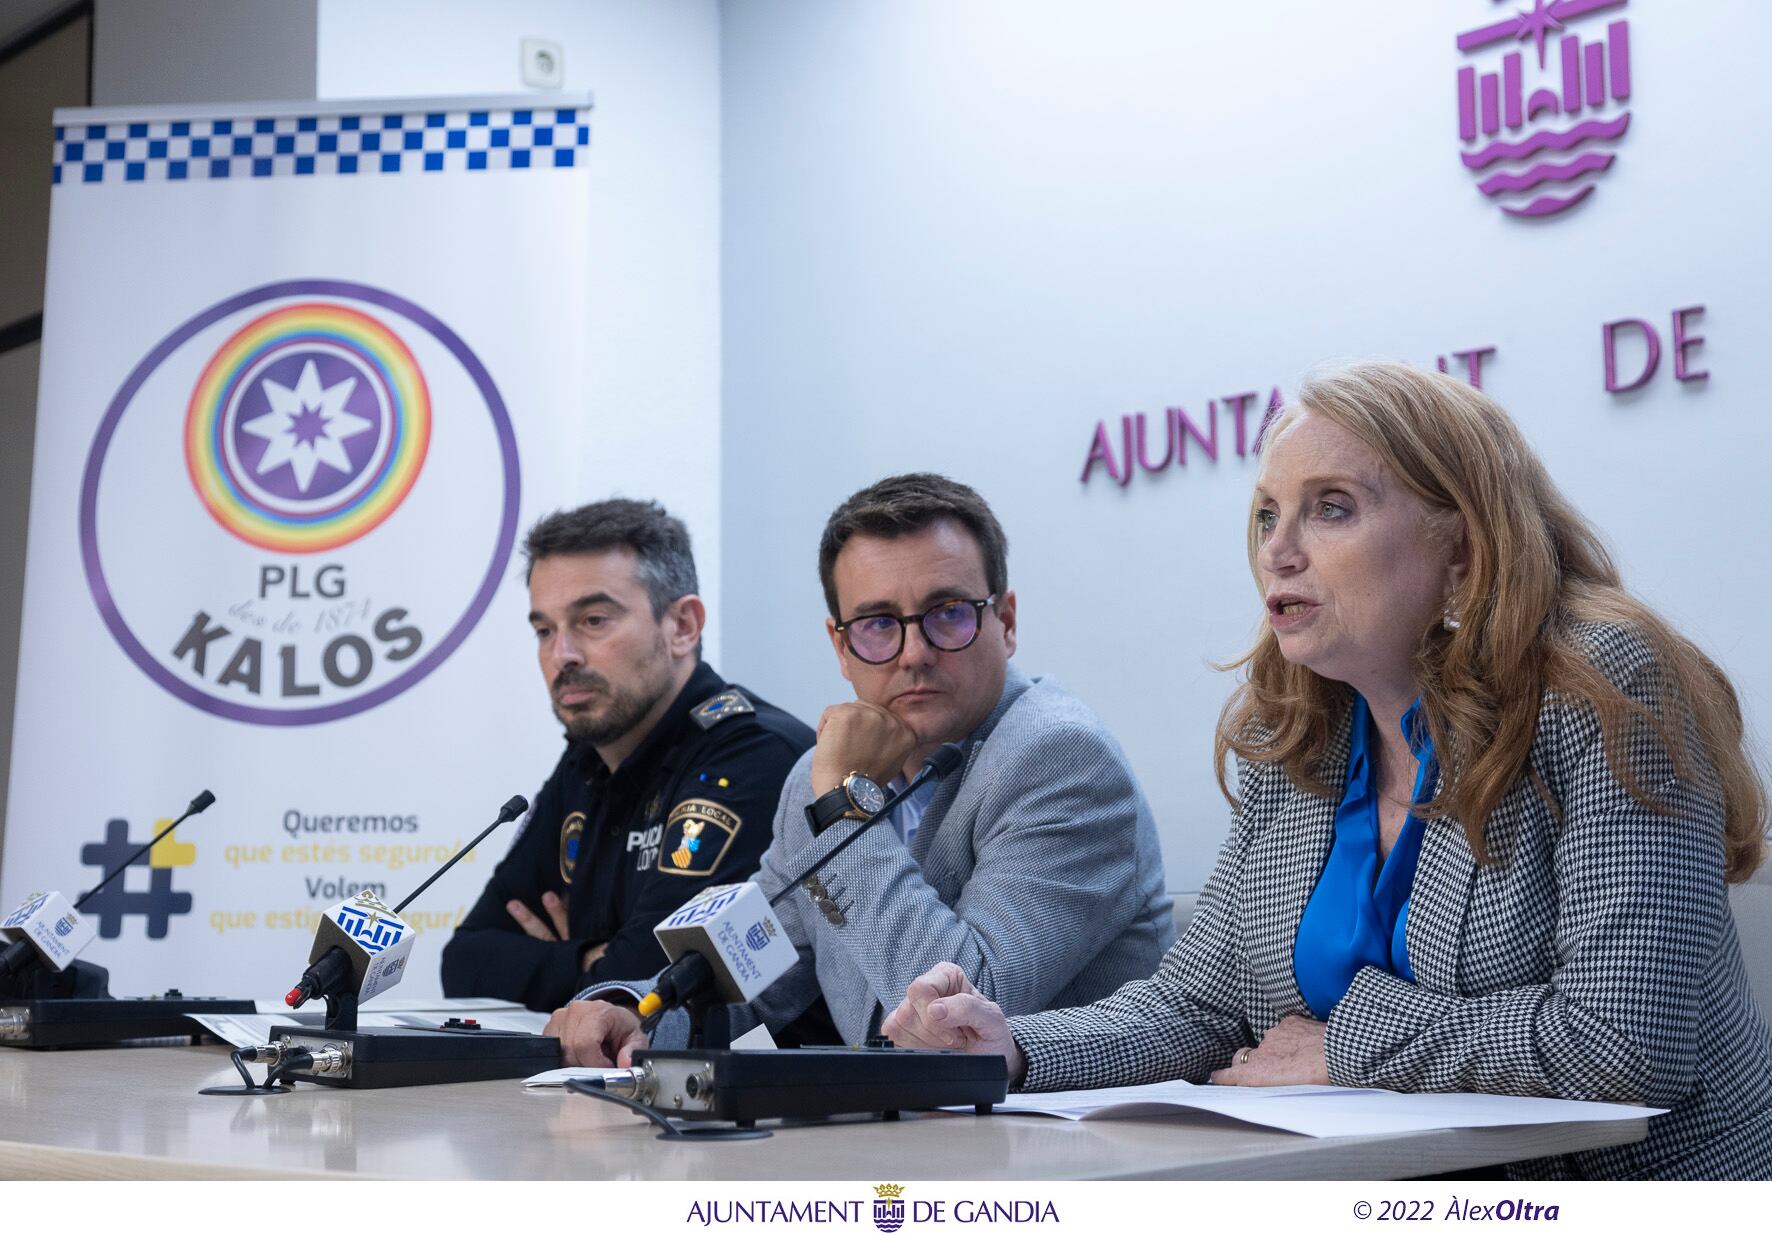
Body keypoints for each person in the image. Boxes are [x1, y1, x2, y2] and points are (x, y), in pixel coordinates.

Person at [884, 363, 1772, 1180]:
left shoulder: (1605, 685)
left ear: (1462, 543)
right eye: (1269, 513)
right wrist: (1007, 1049)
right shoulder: (1298, 734)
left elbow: (1621, 1042)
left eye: (1333, 506)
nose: (1278, 549)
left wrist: (1349, 1043)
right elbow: (1195, 1006)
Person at [546, 473, 1174, 1059]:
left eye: (949, 612)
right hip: (900, 1140)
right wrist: (641, 1013)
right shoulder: (817, 778)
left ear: (1005, 623)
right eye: (878, 625)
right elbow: (753, 958)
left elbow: (961, 1017)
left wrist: (843, 812)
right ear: (841, 647)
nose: (915, 655)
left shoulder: (1060, 758)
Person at [440, 500, 813, 1012]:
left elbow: (644, 986)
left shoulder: (754, 757)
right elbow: (464, 962)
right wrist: (584, 960)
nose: (562, 655)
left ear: (682, 625)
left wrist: (584, 964)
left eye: (593, 620)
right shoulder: (587, 760)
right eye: (544, 630)